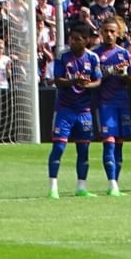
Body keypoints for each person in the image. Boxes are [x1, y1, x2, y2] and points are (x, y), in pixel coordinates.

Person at [47, 22, 101, 199]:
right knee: (59, 147)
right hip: (65, 109)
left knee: (83, 149)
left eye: (78, 39)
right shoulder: (63, 57)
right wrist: (73, 81)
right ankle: (53, 187)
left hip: (84, 110)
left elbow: (98, 81)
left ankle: (81, 187)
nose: (73, 42)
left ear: (86, 40)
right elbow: (57, 80)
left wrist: (87, 84)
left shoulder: (92, 58)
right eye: (72, 39)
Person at [94, 16, 131, 197]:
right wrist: (112, 71)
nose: (109, 34)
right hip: (104, 104)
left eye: (112, 31)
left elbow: (129, 82)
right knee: (108, 143)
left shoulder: (124, 54)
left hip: (122, 102)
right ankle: (111, 184)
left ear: (118, 34)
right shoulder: (94, 54)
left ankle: (115, 183)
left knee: (119, 144)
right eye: (106, 31)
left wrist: (124, 73)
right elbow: (94, 78)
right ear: (101, 33)